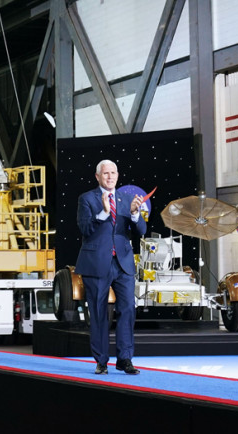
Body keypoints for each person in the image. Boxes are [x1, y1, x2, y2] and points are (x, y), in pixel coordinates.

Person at [76, 160, 146, 375]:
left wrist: (135, 214)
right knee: (98, 313)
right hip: (97, 264)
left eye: (113, 172)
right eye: (105, 173)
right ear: (97, 176)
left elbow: (141, 230)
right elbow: (85, 229)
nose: (110, 176)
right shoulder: (87, 199)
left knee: (127, 310)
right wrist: (104, 213)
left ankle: (125, 359)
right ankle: (101, 361)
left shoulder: (126, 199)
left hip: (123, 263)